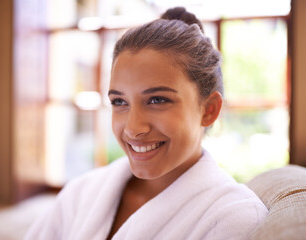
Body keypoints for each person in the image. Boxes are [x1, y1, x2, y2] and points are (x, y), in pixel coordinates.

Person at [25, 7, 268, 240]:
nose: (132, 128)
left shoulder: (233, 217)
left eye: (157, 100)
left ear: (209, 109)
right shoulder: (81, 193)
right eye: (119, 101)